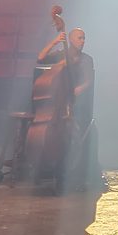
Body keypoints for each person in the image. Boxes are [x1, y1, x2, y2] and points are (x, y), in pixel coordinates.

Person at [35, 27, 97, 190]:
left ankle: (70, 172)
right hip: (59, 105)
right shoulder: (61, 55)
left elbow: (88, 81)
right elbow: (40, 57)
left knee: (73, 137)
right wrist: (55, 41)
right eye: (79, 38)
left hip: (76, 105)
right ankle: (50, 168)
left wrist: (78, 89)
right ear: (70, 40)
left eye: (84, 38)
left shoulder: (87, 59)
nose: (82, 41)